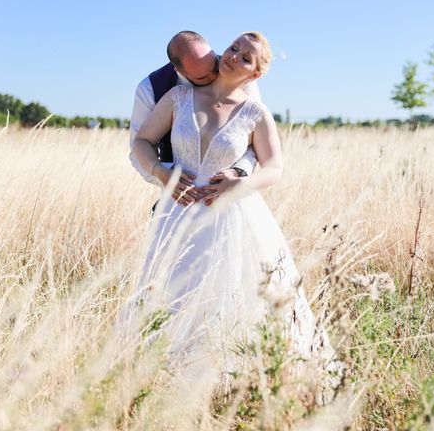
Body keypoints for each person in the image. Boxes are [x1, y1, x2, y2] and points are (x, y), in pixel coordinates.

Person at [129, 31, 335, 376]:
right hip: (177, 212)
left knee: (234, 297)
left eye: (245, 58)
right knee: (172, 295)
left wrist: (242, 182)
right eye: (234, 47)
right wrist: (161, 173)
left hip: (233, 214)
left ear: (255, 74)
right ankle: (164, 374)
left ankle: (234, 375)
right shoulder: (176, 96)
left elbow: (273, 167)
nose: (233, 56)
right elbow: (141, 142)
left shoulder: (255, 111)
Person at [129, 31, 260, 205]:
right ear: (180, 71)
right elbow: (138, 149)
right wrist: (166, 175)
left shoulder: (241, 75)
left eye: (214, 65)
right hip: (179, 199)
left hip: (229, 198)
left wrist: (238, 173)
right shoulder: (150, 89)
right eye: (203, 77)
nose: (215, 76)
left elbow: (256, 143)